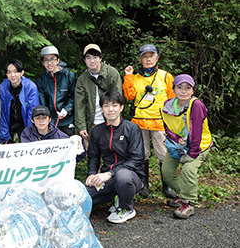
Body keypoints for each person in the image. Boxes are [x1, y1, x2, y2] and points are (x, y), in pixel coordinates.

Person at [123, 44, 176, 198]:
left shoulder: (166, 76)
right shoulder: (136, 77)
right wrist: (128, 76)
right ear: (140, 59)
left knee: (164, 154)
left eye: (151, 56)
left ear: (157, 57)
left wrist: (172, 123)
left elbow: (172, 100)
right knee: (142, 154)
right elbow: (129, 96)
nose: (148, 59)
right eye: (144, 56)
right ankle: (144, 185)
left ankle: (167, 186)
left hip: (160, 122)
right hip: (139, 123)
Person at [85, 90, 145, 224]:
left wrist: (111, 173)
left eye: (114, 105)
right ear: (101, 109)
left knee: (122, 177)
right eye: (106, 105)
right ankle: (115, 197)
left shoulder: (132, 128)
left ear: (121, 107)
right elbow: (93, 156)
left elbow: (137, 159)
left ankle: (126, 208)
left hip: (130, 178)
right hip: (107, 179)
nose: (110, 109)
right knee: (82, 197)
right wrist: (92, 174)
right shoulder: (97, 131)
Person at [161, 74, 212, 219]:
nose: (184, 91)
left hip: (199, 145)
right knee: (167, 171)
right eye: (180, 87)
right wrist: (177, 139)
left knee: (188, 169)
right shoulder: (167, 105)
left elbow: (197, 132)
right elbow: (167, 126)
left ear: (193, 91)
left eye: (188, 88)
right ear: (173, 89)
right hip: (178, 144)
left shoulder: (196, 105)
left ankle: (188, 203)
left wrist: (192, 153)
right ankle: (183, 194)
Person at [74, 44, 123, 149]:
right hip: (91, 124)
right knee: (93, 156)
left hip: (110, 122)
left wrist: (116, 122)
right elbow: (80, 104)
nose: (92, 61)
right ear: (84, 60)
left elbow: (118, 99)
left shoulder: (112, 74)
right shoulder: (82, 79)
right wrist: (81, 126)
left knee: (113, 153)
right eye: (88, 57)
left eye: (95, 57)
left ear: (100, 58)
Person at [35, 46, 76, 136]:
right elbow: (43, 102)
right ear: (42, 62)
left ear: (58, 60)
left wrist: (67, 109)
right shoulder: (41, 80)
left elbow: (74, 96)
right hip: (51, 120)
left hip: (67, 119)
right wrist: (46, 116)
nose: (49, 63)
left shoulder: (69, 76)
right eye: (46, 60)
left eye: (52, 59)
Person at [0, 59, 40, 143]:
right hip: (9, 124)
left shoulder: (30, 87)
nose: (12, 75)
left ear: (22, 72)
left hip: (24, 124)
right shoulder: (2, 88)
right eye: (9, 72)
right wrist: (5, 135)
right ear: (6, 74)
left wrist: (28, 134)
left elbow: (32, 112)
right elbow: (0, 112)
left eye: (16, 71)